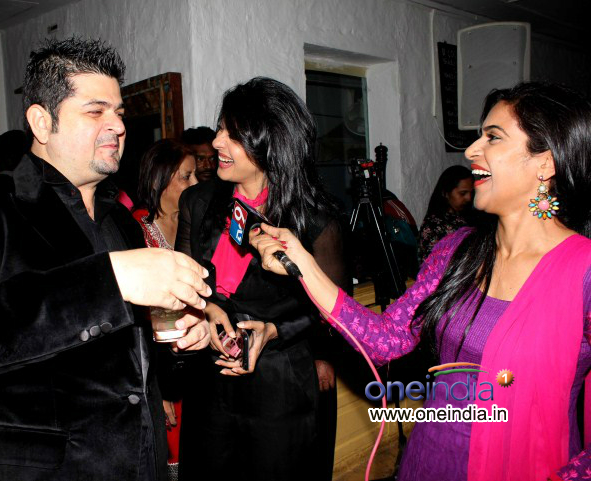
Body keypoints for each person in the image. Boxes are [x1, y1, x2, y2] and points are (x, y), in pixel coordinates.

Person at [251, 82, 591, 481]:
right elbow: (385, 340)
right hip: (430, 458)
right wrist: (304, 264)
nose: (471, 151)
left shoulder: (583, 272)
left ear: (545, 163)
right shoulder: (457, 251)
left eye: (493, 137)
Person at [0, 38, 212, 481]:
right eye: (95, 112)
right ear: (41, 122)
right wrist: (110, 280)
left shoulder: (122, 222)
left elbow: (131, 364)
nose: (117, 126)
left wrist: (180, 338)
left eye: (119, 113)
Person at [176, 77, 347, 481]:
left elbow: (332, 312)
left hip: (279, 382)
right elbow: (185, 282)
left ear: (270, 143)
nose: (217, 142)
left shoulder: (315, 219)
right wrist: (206, 310)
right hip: (209, 377)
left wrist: (273, 330)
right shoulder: (198, 201)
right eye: (220, 128)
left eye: (232, 135)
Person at [120, 138, 198, 480]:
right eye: (186, 176)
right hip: (161, 367)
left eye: (196, 176)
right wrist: (158, 388)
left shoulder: (196, 223)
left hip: (197, 360)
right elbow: (135, 319)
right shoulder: (135, 229)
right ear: (158, 181)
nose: (195, 184)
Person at [417, 165, 474, 262]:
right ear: (445, 193)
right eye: (462, 193)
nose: (468, 198)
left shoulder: (469, 217)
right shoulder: (434, 225)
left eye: (471, 193)